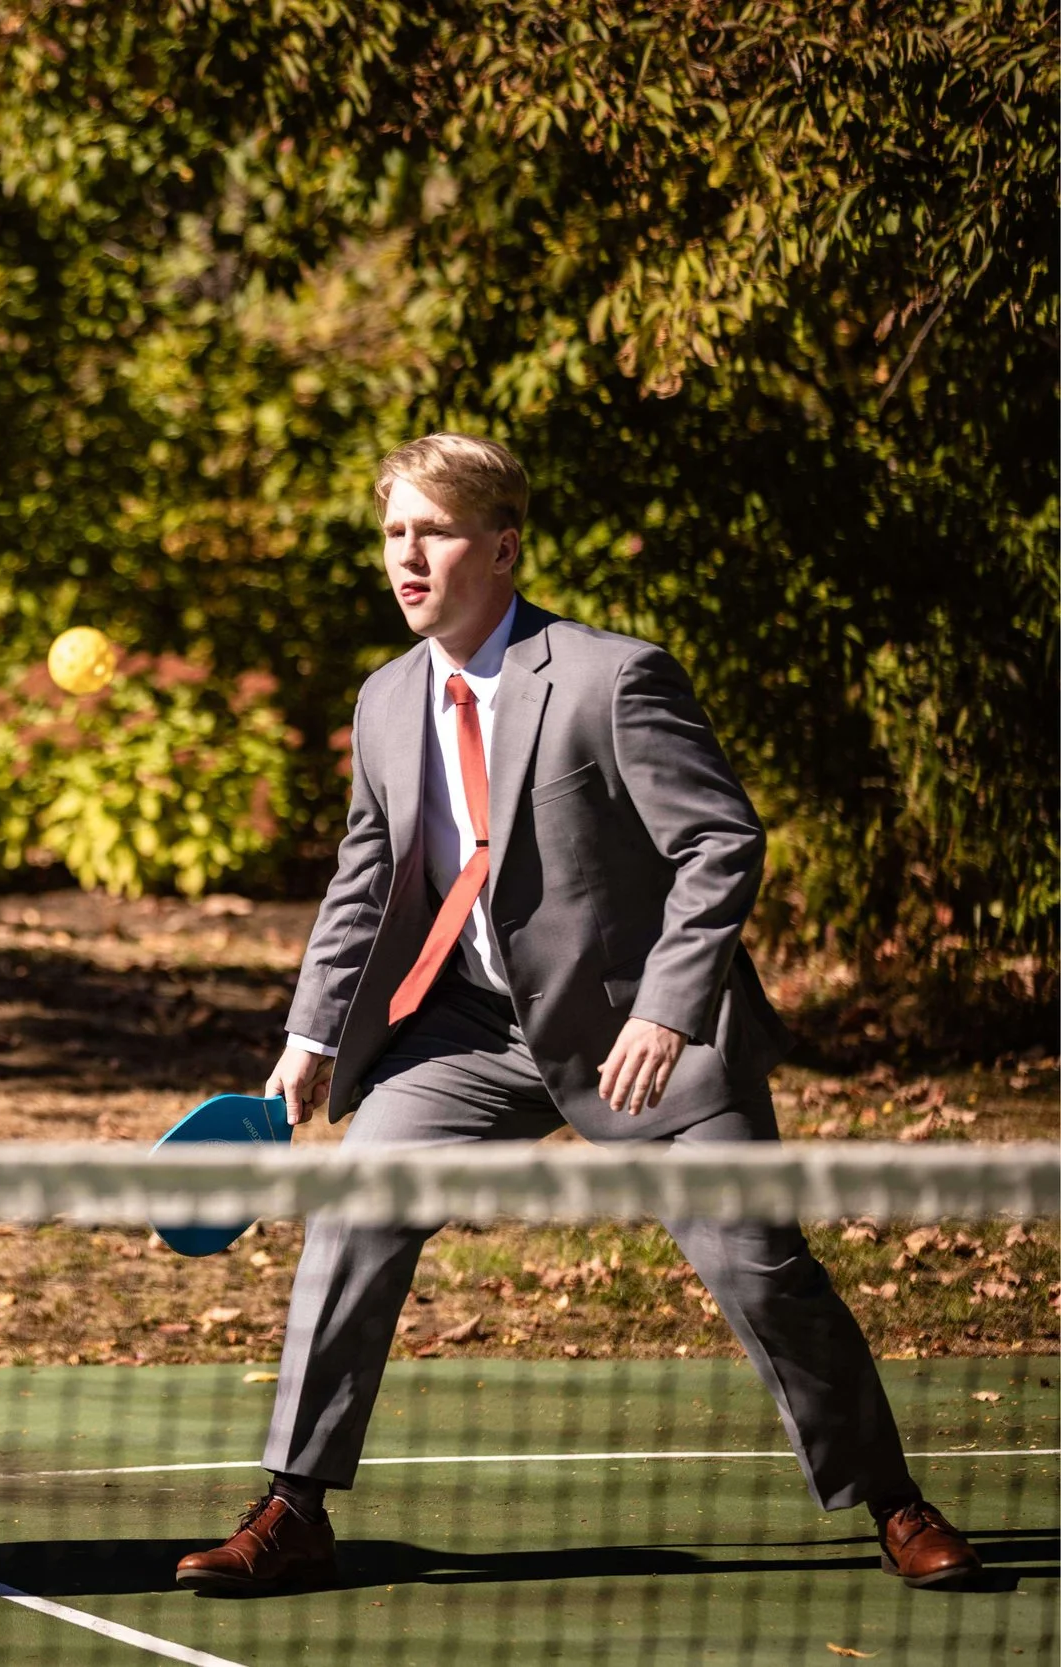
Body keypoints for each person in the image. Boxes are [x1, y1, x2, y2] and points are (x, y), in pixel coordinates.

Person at [173, 435, 982, 1598]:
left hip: (635, 1030)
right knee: (354, 1208)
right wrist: (307, 1043)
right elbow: (366, 875)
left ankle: (893, 1498)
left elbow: (719, 841)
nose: (407, 555)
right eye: (394, 531)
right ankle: (293, 1506)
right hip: (466, 1030)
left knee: (762, 1268)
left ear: (501, 547)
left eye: (434, 531)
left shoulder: (610, 675)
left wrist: (668, 1008)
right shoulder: (387, 697)